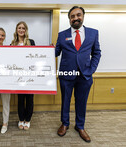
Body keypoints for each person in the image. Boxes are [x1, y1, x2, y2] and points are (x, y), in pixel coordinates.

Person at [55, 6, 101, 143]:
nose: (75, 18)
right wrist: (46, 50)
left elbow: (97, 53)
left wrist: (91, 69)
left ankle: (80, 126)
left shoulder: (93, 33)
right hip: (66, 75)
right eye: (72, 16)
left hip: (85, 76)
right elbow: (56, 52)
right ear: (69, 19)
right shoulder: (62, 35)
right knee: (65, 101)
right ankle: (65, 123)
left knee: (82, 102)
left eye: (78, 15)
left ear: (83, 16)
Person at [11, 21, 35, 130]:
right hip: (18, 77)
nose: (21, 30)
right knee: (20, 100)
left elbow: (35, 58)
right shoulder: (12, 44)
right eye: (19, 28)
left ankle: (28, 120)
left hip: (29, 76)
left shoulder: (31, 42)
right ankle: (21, 119)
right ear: (16, 30)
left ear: (26, 30)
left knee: (29, 99)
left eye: (23, 28)